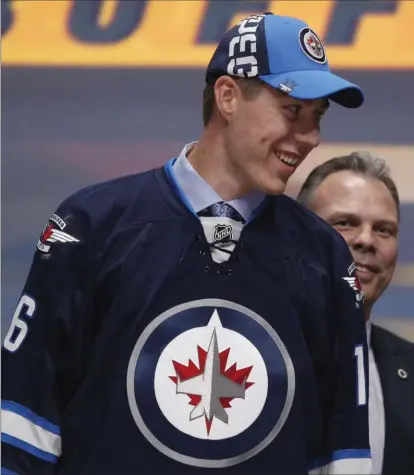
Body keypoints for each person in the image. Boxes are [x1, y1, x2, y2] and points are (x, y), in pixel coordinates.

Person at [1, 12, 372, 475]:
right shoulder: (92, 225)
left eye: (317, 118)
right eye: (292, 110)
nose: (310, 138)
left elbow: (343, 453)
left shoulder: (324, 256)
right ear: (228, 96)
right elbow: (22, 426)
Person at [297, 151, 414, 475]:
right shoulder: (243, 355)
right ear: (298, 235)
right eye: (345, 223)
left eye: (384, 230)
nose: (366, 240)